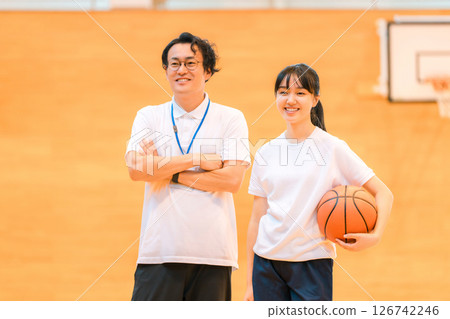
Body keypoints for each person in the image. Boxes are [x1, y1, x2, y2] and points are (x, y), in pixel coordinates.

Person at [244, 63, 393, 301]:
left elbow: (384, 193)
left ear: (315, 99)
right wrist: (251, 281)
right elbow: (256, 218)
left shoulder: (332, 147)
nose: (290, 99)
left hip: (312, 263)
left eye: (300, 93)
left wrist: (375, 235)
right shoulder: (265, 152)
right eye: (283, 92)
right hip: (266, 264)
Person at [125, 32, 250, 301]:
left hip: (214, 256)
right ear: (167, 70)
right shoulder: (149, 116)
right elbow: (136, 169)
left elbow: (232, 180)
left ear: (207, 70)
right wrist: (196, 160)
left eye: (191, 63)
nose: (182, 70)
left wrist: (165, 171)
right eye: (175, 63)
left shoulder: (231, 118)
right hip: (158, 253)